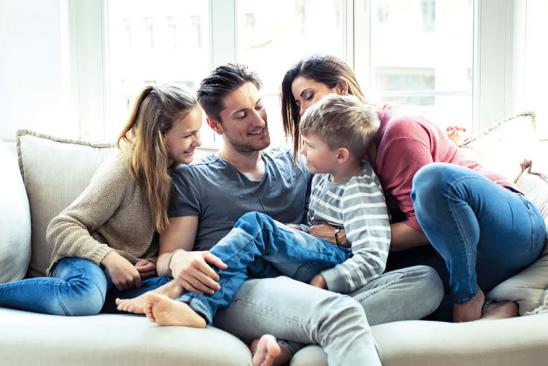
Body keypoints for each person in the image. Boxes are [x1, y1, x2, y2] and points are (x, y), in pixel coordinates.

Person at [117, 63, 443, 366]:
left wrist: (441, 142)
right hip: (242, 285)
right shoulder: (195, 177)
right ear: (215, 125)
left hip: (304, 281)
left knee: (427, 281)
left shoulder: (299, 163)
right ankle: (206, 311)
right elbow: (166, 256)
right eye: (242, 114)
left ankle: (289, 343)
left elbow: (346, 145)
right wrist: (176, 261)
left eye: (259, 106)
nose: (258, 121)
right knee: (340, 313)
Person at [281, 54, 547, 322]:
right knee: (388, 283)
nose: (302, 110)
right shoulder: (343, 162)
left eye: (308, 96)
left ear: (341, 88)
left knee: (432, 179)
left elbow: (424, 227)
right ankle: (495, 307)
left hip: (507, 232)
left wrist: (345, 235)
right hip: (464, 256)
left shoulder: (397, 130)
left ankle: (467, 295)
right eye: (298, 103)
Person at [0, 85, 202, 316]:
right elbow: (61, 226)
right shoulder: (123, 171)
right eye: (188, 135)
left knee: (184, 291)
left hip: (121, 281)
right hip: (85, 263)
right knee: (84, 296)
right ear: (158, 137)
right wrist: (110, 258)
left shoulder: (180, 178)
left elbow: (163, 249)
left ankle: (101, 300)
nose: (199, 140)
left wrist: (151, 264)